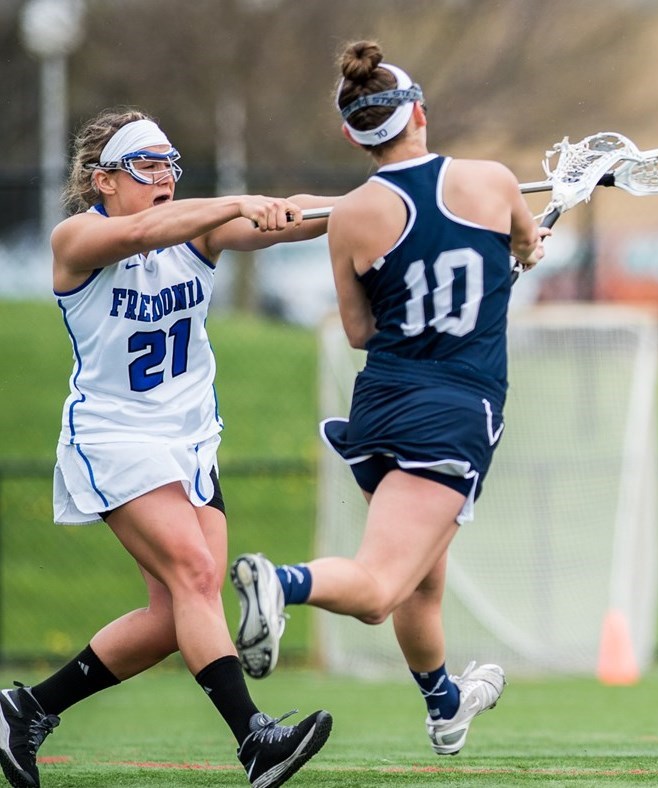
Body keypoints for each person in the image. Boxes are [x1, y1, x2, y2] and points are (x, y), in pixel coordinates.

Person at [228, 40, 548, 757]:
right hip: (453, 412)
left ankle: (445, 706)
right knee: (378, 590)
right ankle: (280, 583)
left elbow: (359, 330)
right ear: (420, 113)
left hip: (380, 405)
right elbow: (525, 250)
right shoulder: (494, 181)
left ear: (353, 136)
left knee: (422, 580)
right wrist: (520, 255)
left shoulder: (350, 216)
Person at [0, 109, 334, 788]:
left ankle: (25, 710)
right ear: (104, 179)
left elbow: (297, 215)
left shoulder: (197, 234)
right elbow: (142, 232)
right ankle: (254, 739)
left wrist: (392, 204)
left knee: (173, 614)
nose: (164, 177)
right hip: (115, 437)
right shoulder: (76, 237)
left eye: (170, 165)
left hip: (191, 440)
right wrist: (238, 202)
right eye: (146, 165)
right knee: (194, 574)